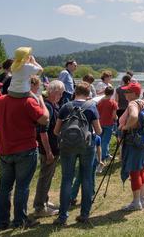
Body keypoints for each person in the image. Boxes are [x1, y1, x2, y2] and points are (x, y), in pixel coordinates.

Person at [0, 76, 49, 230]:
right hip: (26, 150)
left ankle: (2, 221)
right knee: (22, 187)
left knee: (4, 187)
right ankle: (20, 221)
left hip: (5, 150)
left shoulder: (1, 100)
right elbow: (44, 119)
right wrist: (40, 100)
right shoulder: (29, 102)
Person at [54, 82, 101, 225]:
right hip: (87, 146)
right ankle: (84, 214)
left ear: (75, 91)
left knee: (67, 179)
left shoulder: (65, 106)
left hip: (67, 147)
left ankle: (62, 216)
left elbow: (56, 131)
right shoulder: (92, 107)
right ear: (88, 94)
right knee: (87, 178)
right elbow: (98, 131)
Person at [33, 80, 64, 218]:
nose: (62, 95)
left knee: (48, 176)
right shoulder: (48, 107)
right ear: (54, 92)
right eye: (60, 93)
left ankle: (44, 201)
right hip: (49, 149)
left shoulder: (53, 105)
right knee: (45, 178)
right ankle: (39, 208)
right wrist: (48, 151)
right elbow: (43, 132)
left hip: (54, 147)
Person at [118, 81, 144, 211]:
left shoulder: (132, 103)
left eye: (127, 91)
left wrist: (125, 127)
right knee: (141, 169)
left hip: (132, 141)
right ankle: (142, 199)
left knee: (134, 171)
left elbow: (134, 116)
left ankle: (136, 203)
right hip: (142, 140)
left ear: (134, 93)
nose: (125, 93)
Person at [97, 85, 118, 163]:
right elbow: (114, 116)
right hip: (109, 124)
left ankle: (105, 154)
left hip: (99, 123)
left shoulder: (99, 102)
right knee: (106, 141)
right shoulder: (113, 102)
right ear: (112, 93)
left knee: (100, 140)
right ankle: (102, 158)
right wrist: (117, 118)